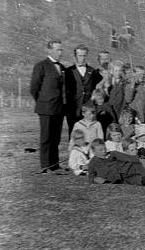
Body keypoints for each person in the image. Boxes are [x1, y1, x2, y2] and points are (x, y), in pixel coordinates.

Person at [30, 39, 66, 173]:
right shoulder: (41, 66)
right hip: (46, 108)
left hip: (58, 109)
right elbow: (34, 88)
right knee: (46, 138)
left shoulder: (62, 68)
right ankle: (45, 166)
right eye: (57, 50)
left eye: (61, 50)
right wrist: (43, 102)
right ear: (49, 50)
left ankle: (54, 165)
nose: (60, 53)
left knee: (56, 138)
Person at [65, 44, 102, 136]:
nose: (82, 58)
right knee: (74, 133)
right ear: (75, 56)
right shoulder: (68, 71)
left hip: (88, 108)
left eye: (84, 55)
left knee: (89, 133)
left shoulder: (92, 71)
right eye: (80, 55)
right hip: (73, 108)